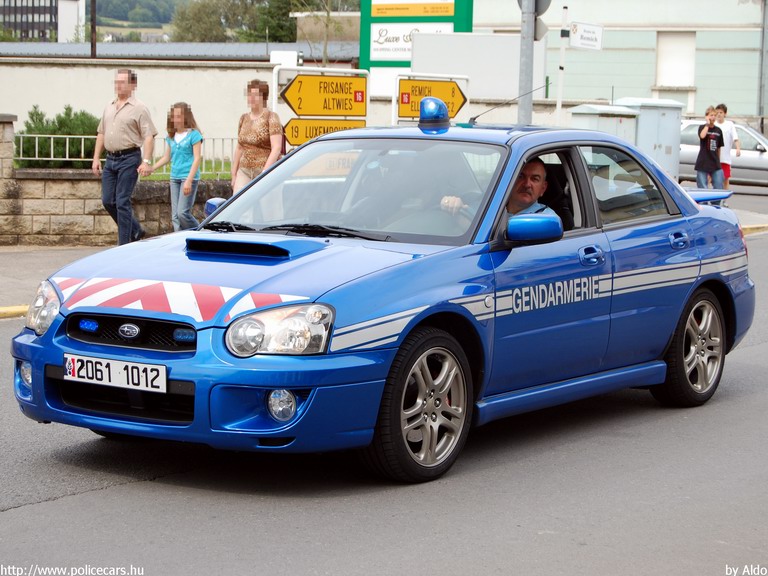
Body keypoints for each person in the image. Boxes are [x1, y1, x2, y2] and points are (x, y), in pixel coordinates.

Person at [91, 68, 157, 245]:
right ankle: (135, 230)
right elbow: (101, 133)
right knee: (107, 200)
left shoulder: (139, 108)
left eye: (122, 82)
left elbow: (149, 136)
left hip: (129, 157)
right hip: (110, 159)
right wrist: (96, 158)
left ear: (132, 85)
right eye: (116, 82)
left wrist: (146, 161)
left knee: (121, 201)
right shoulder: (109, 106)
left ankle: (124, 244)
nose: (118, 85)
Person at [148, 103, 203, 231]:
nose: (176, 120)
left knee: (182, 213)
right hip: (175, 177)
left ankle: (200, 232)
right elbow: (167, 157)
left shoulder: (194, 135)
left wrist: (189, 180)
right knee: (175, 217)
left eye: (179, 116)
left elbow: (196, 159)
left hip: (188, 177)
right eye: (174, 117)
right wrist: (152, 168)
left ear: (186, 117)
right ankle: (179, 241)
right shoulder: (171, 137)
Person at [441, 158, 557, 218]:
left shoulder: (546, 218)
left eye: (535, 179)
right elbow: (468, 221)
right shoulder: (489, 205)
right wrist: (451, 204)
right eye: (520, 176)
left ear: (543, 188)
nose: (527, 184)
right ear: (509, 180)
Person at [231, 79, 283, 193]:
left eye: (256, 95)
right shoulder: (243, 118)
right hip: (244, 170)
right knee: (240, 205)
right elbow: (239, 147)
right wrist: (234, 173)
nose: (252, 98)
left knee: (269, 208)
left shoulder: (271, 117)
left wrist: (265, 172)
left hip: (265, 170)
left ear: (263, 97)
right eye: (250, 94)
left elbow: (276, 148)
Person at [695, 106, 725, 190]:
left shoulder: (718, 130)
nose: (713, 117)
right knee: (702, 187)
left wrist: (718, 161)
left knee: (718, 185)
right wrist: (707, 124)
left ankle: (716, 203)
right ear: (707, 116)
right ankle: (703, 202)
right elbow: (702, 136)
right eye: (711, 115)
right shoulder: (702, 127)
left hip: (714, 162)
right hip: (703, 162)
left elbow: (719, 148)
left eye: (714, 115)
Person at [715, 103, 741, 189]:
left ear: (725, 114)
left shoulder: (729, 125)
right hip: (714, 158)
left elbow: (735, 137)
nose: (719, 114)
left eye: (721, 112)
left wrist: (738, 148)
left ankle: (724, 200)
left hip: (725, 158)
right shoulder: (714, 124)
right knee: (712, 179)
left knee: (725, 179)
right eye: (717, 112)